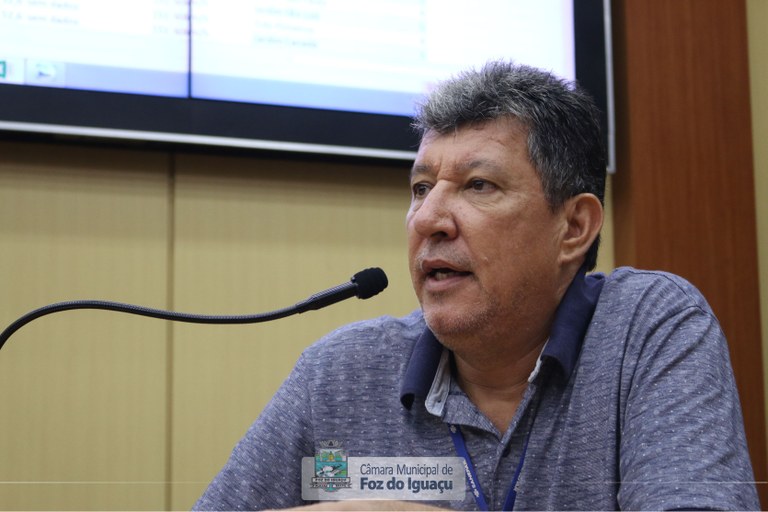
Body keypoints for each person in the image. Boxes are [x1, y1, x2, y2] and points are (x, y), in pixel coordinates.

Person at [193, 61, 759, 510]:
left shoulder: (649, 330)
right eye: (421, 188)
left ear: (574, 227)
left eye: (478, 185)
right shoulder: (341, 374)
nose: (427, 219)